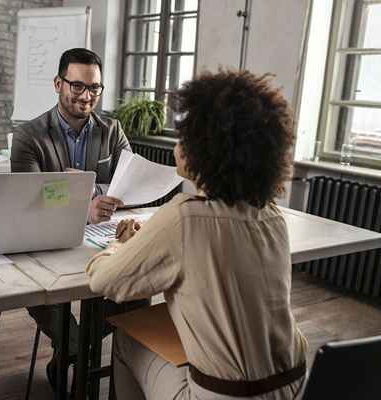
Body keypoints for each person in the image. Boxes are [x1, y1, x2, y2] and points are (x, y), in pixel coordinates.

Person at [86, 70, 308, 400]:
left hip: (227, 396)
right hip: (294, 384)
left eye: (183, 137)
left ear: (205, 149)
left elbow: (104, 282)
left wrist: (117, 246)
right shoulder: (272, 214)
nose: (177, 145)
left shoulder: (184, 215)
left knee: (127, 337)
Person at [11, 47, 145, 391]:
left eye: (95, 88)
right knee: (39, 291)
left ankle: (74, 355)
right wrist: (85, 201)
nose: (87, 96)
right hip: (44, 243)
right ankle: (77, 352)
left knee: (135, 289)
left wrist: (80, 186)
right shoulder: (29, 135)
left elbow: (129, 184)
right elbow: (28, 195)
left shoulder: (112, 131)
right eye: (78, 86)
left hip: (99, 240)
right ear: (58, 83)